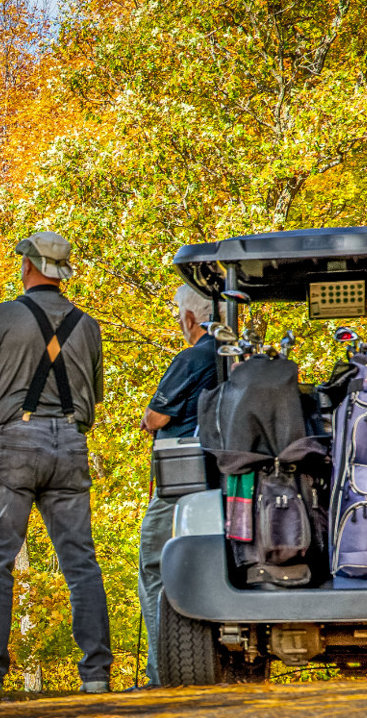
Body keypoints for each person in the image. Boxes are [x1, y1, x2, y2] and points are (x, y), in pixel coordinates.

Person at [0, 231, 112, 693]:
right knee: (80, 561)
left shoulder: (2, 317)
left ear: (26, 266)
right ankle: (96, 673)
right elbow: (94, 395)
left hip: (17, 441)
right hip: (71, 444)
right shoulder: (89, 325)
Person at [137, 286, 219, 687]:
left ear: (190, 318)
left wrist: (149, 418)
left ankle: (161, 671)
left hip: (180, 478)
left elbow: (156, 417)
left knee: (155, 565)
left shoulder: (193, 357)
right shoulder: (235, 359)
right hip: (219, 481)